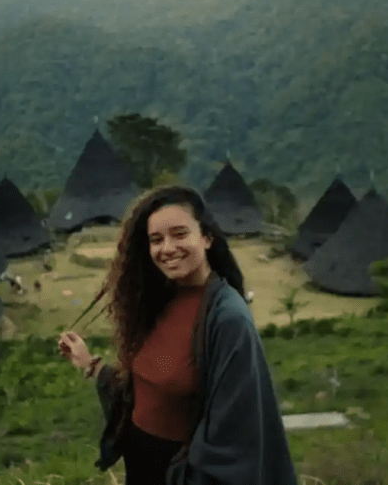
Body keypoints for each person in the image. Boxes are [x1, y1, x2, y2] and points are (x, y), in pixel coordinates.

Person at [57, 185, 296, 485]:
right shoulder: (157, 301)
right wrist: (88, 363)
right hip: (140, 466)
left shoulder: (228, 320)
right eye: (156, 240)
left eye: (180, 234)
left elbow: (235, 432)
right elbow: (144, 391)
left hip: (181, 474)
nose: (167, 248)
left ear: (206, 237)